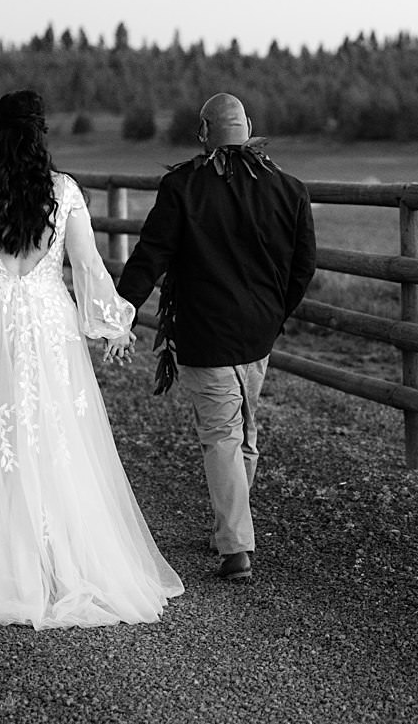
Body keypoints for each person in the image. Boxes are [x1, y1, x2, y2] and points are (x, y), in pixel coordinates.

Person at [0, 90, 183, 630]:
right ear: (41, 135)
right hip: (48, 321)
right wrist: (110, 323)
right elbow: (87, 265)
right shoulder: (65, 191)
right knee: (53, 432)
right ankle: (56, 560)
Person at [114, 92, 317, 582]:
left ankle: (235, 547)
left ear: (203, 134)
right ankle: (233, 531)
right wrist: (274, 314)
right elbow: (302, 268)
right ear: (248, 128)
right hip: (259, 334)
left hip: (205, 333)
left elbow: (151, 256)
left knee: (223, 436)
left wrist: (119, 311)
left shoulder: (183, 187)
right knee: (245, 432)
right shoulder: (290, 189)